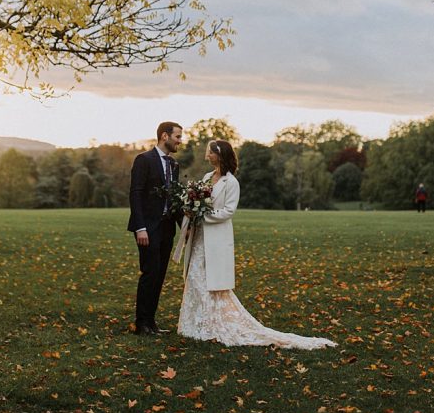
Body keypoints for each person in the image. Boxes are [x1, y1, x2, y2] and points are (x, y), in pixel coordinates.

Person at [177, 139, 336, 350]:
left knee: (211, 281)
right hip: (200, 237)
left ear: (220, 155)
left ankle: (213, 323)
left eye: (210, 153)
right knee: (196, 276)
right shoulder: (207, 177)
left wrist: (202, 214)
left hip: (216, 236)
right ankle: (194, 323)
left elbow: (228, 211)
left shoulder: (231, 182)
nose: (207, 157)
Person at [127, 121, 183, 336]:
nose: (180, 141)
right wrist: (140, 227)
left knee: (159, 275)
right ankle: (141, 324)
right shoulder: (144, 160)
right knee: (149, 273)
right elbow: (136, 194)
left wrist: (185, 226)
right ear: (164, 136)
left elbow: (174, 199)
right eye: (177, 136)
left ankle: (151, 322)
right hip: (147, 228)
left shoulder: (174, 164)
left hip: (167, 228)